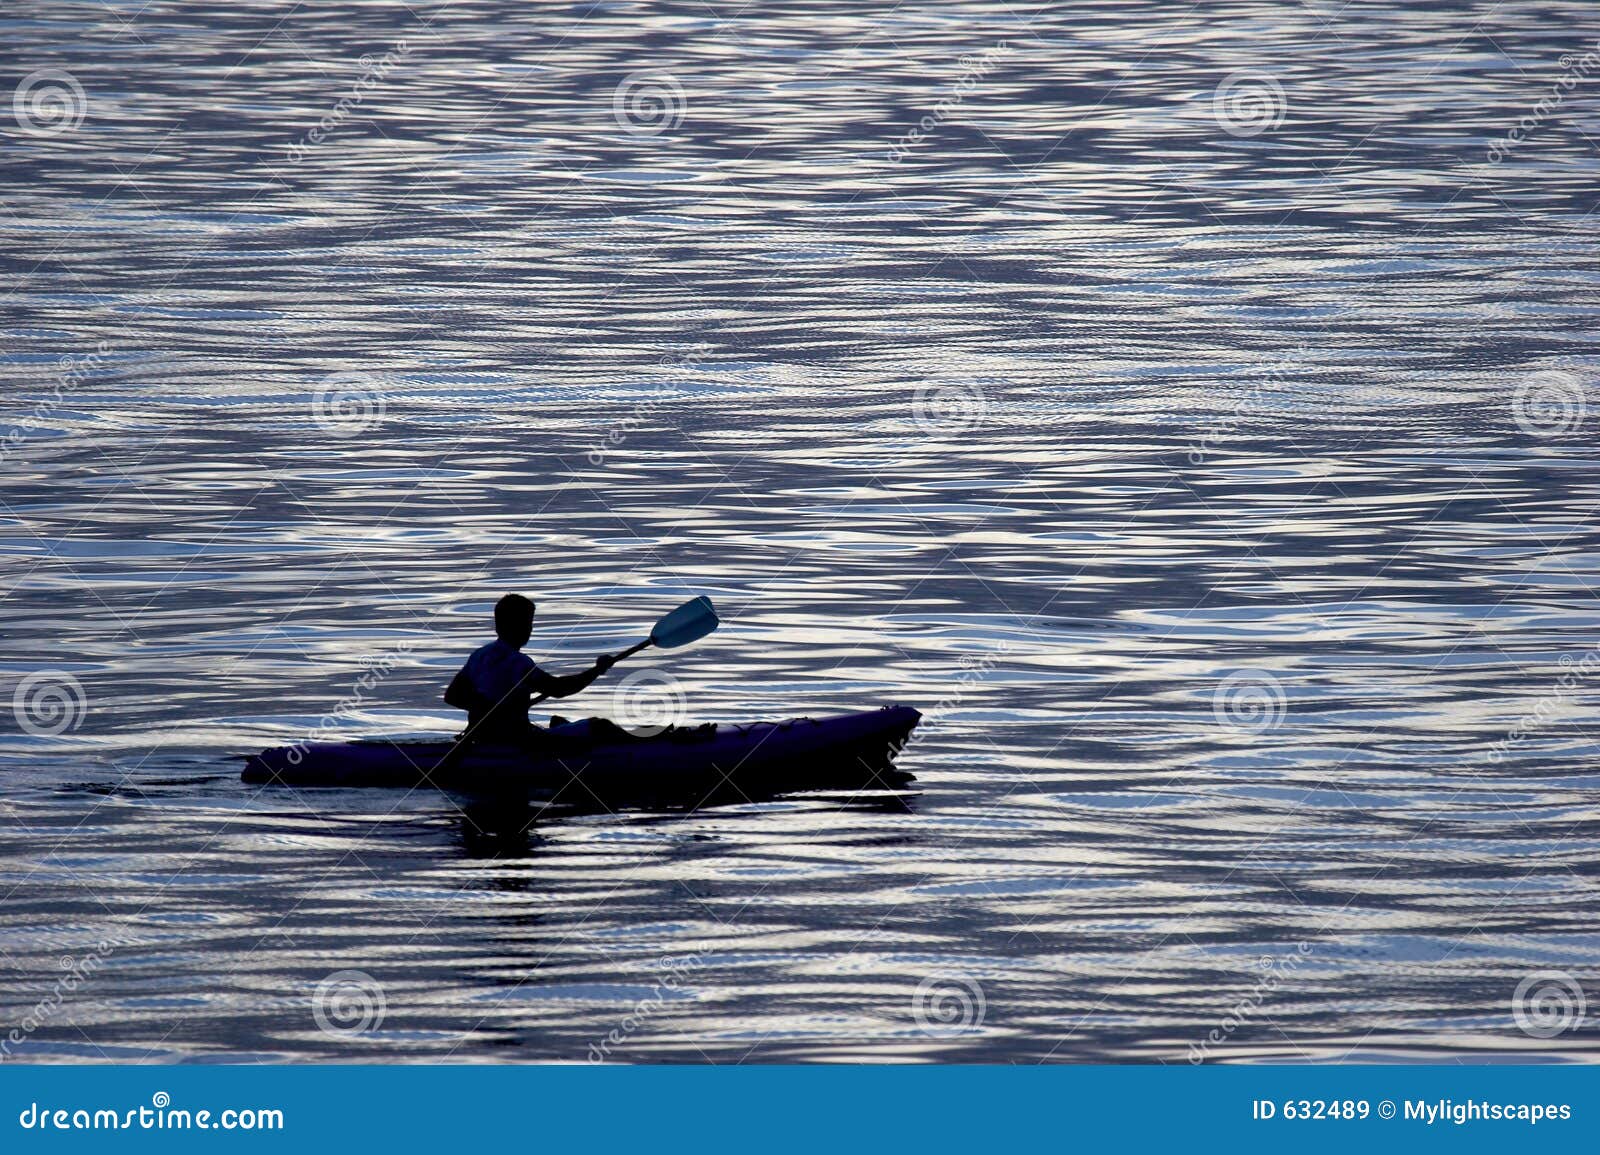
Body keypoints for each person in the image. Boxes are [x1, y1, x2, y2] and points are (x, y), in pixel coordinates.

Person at [445, 594, 617, 744]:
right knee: (600, 726)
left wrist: (488, 709)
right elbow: (560, 689)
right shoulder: (518, 662)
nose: (529, 629)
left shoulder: (479, 656)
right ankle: (640, 745)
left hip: (482, 737)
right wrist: (597, 670)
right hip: (517, 741)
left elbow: (453, 696)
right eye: (526, 623)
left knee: (558, 721)